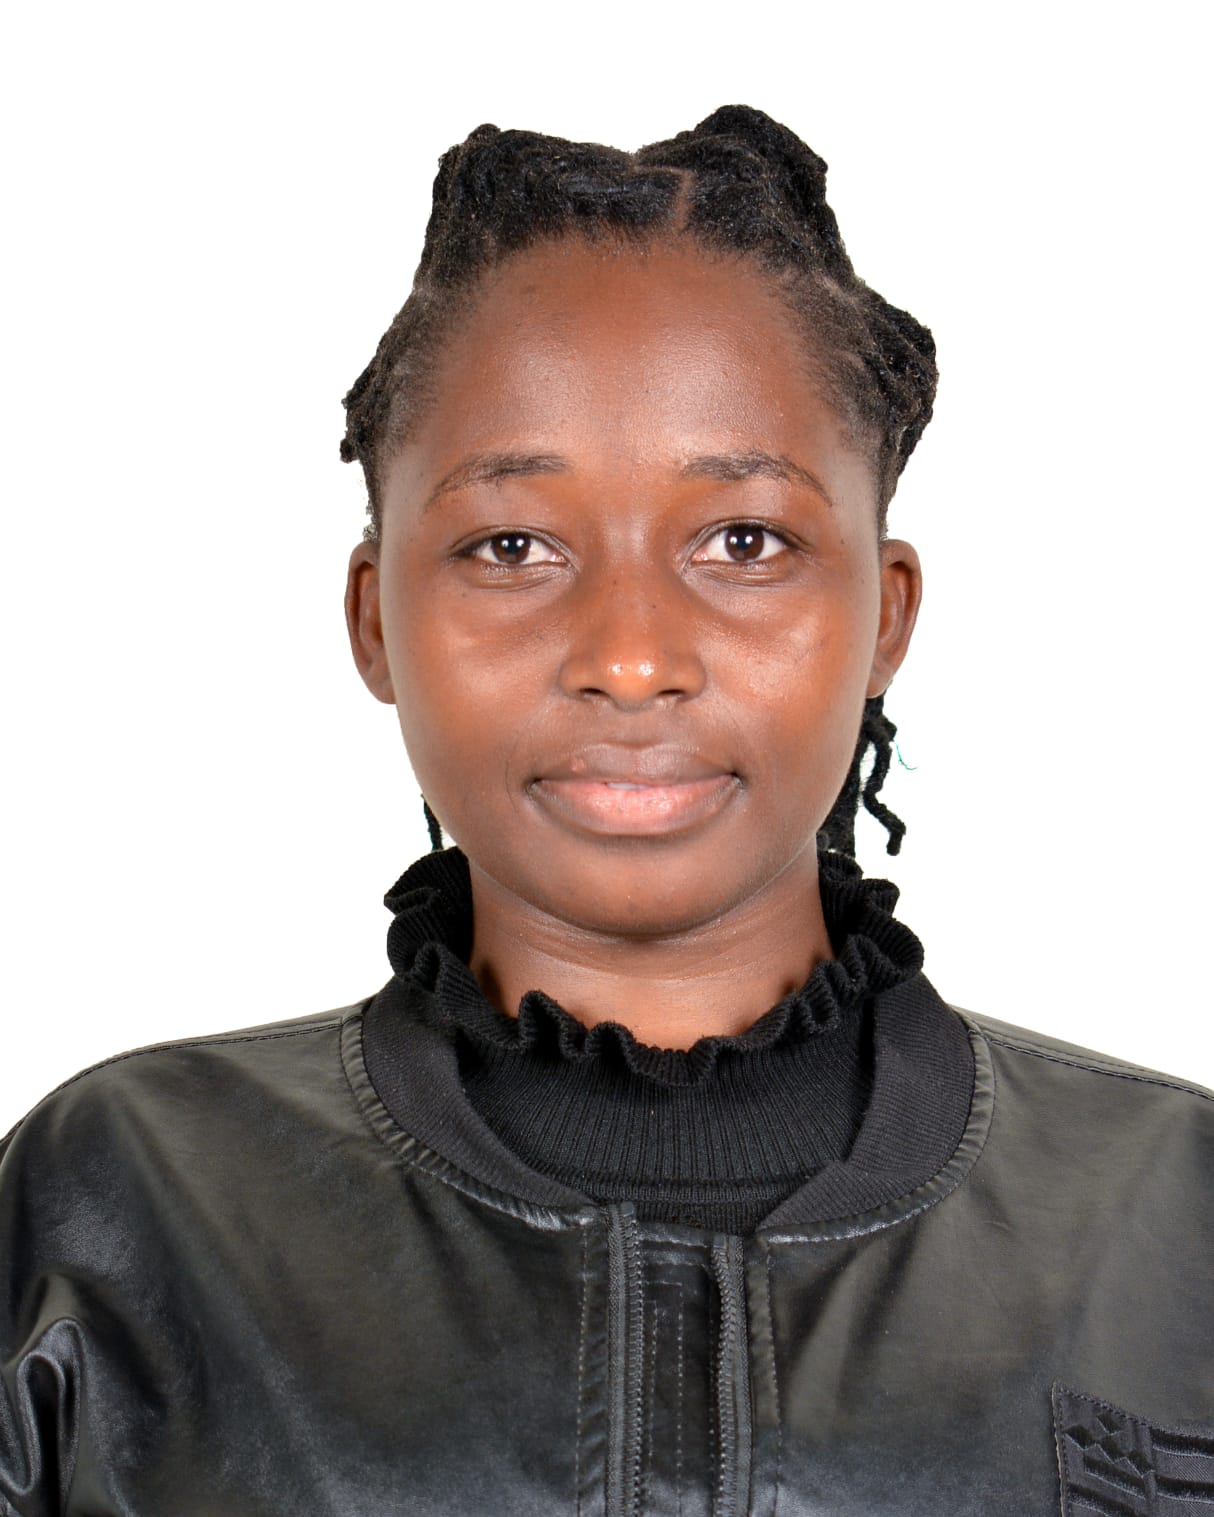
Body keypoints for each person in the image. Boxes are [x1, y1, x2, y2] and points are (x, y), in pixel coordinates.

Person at [2, 106, 1211, 1517]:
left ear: (883, 616)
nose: (631, 656)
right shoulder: (121, 1207)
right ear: (374, 617)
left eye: (743, 541)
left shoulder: (1174, 1215)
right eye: (511, 545)